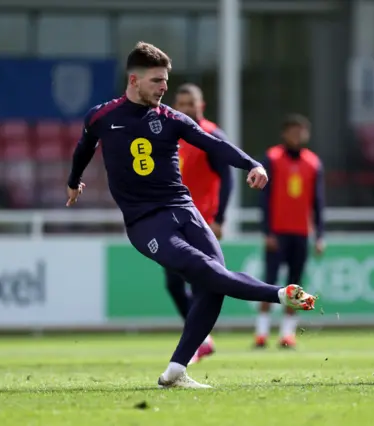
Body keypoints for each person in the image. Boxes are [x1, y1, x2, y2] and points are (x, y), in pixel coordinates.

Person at [65, 42, 317, 389]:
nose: (164, 88)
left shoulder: (171, 119)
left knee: (213, 284)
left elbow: (213, 143)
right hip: (145, 222)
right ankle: (279, 294)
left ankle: (176, 370)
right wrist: (73, 180)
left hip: (185, 211)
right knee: (206, 271)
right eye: (156, 81)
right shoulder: (102, 116)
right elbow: (84, 147)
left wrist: (252, 163)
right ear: (134, 80)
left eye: (166, 80)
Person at [163, 83, 234, 364]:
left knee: (196, 280)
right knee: (173, 283)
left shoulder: (211, 135)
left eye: (191, 103)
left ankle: (197, 341)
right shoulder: (172, 134)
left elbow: (227, 179)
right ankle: (202, 340)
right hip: (172, 219)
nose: (186, 108)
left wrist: (220, 218)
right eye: (181, 103)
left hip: (200, 222)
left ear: (201, 105)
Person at [254, 114, 325, 349]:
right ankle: (261, 333)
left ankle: (287, 334)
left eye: (301, 131)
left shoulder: (313, 163)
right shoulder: (272, 158)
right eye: (292, 131)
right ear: (284, 134)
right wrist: (267, 232)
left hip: (301, 233)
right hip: (278, 232)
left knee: (295, 284)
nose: (296, 136)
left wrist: (319, 235)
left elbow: (318, 202)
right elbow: (264, 199)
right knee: (269, 283)